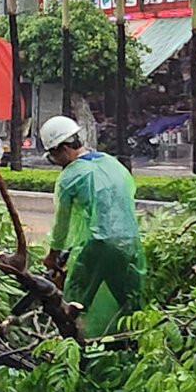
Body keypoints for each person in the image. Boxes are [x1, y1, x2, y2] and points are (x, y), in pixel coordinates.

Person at [39, 116, 143, 337]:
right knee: (130, 303)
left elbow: (62, 224)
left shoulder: (70, 176)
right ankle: (135, 346)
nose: (55, 161)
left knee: (73, 303)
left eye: (53, 155)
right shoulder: (112, 163)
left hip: (98, 245)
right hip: (130, 242)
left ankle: (75, 352)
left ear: (64, 148)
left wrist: (53, 255)